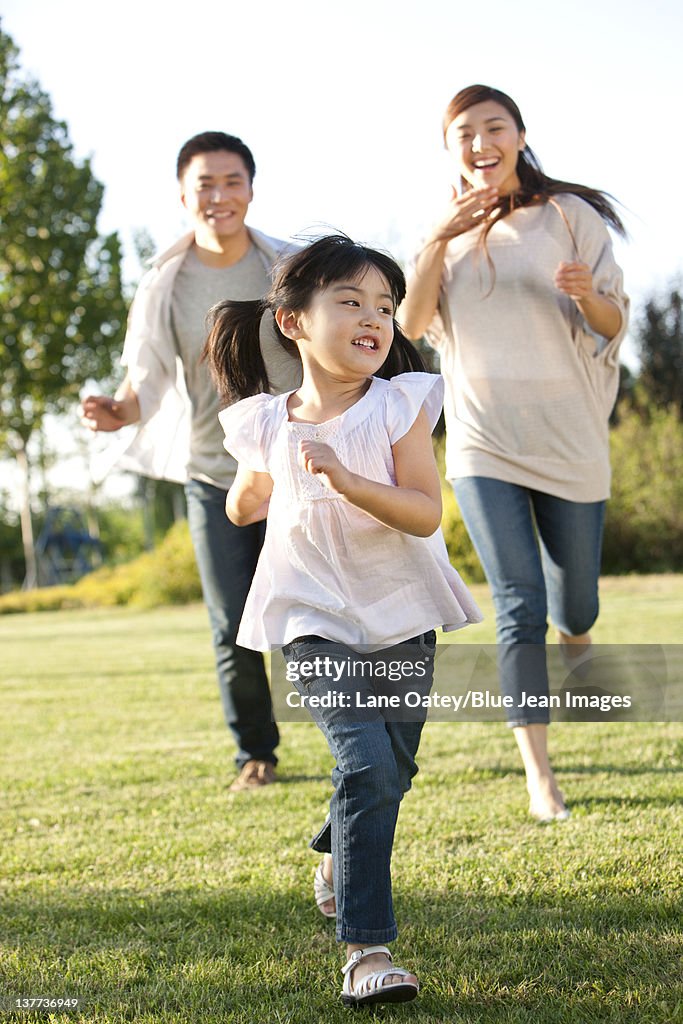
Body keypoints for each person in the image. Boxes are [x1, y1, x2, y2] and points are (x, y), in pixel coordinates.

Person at [203, 234, 482, 1007]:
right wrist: (248, 498)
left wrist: (349, 480)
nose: (374, 318)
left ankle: (334, 856)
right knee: (365, 765)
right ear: (293, 323)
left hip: (400, 613)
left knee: (392, 770)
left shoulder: (399, 403)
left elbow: (424, 514)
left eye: (385, 307)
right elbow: (244, 498)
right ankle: (366, 949)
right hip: (310, 614)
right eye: (351, 301)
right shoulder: (265, 420)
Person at [400, 84, 629, 823]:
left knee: (575, 601)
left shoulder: (570, 216)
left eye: (492, 127)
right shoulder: (440, 235)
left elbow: (609, 320)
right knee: (517, 604)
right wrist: (436, 239)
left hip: (568, 438)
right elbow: (409, 323)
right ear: (450, 150)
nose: (478, 143)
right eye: (462, 133)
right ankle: (540, 774)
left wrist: (585, 292)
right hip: (481, 442)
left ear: (519, 134)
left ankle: (580, 640)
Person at [81, 132, 302, 791]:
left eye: (231, 181)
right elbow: (144, 381)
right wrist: (115, 412)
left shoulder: (290, 267)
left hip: (297, 466)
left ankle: (358, 734)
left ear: (251, 189)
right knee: (233, 626)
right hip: (213, 473)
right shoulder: (164, 283)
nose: (218, 195)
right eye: (204, 184)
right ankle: (255, 754)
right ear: (183, 196)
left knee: (315, 612)